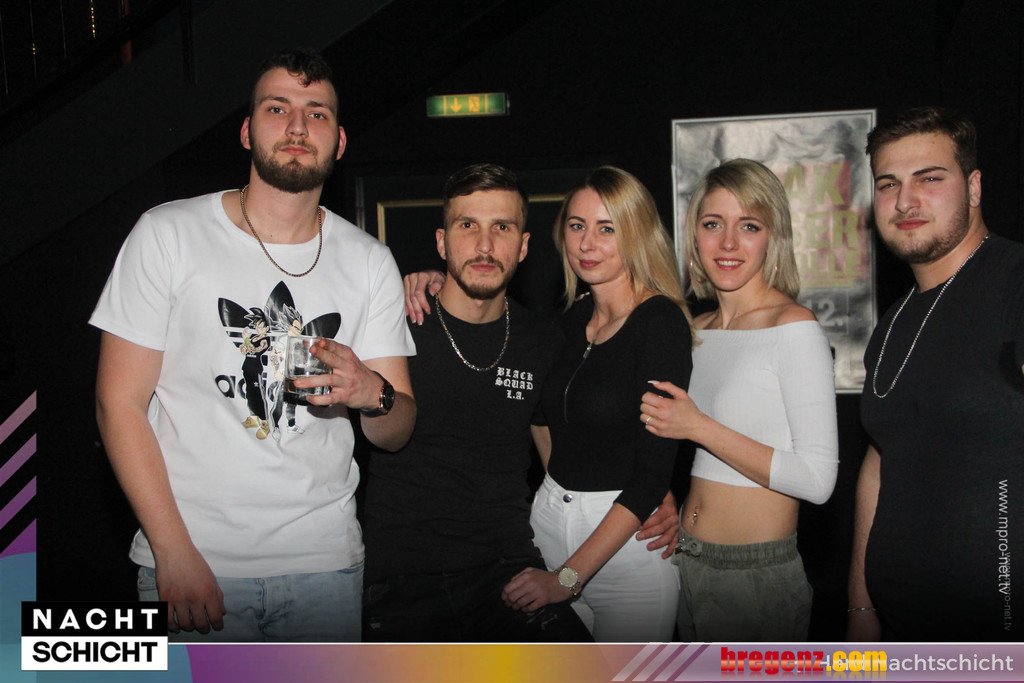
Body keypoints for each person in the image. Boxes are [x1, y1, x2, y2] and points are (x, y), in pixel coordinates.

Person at [90, 47, 416, 642]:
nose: (297, 126)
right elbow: (118, 404)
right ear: (246, 131)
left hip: (325, 565)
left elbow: (395, 432)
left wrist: (374, 393)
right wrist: (172, 551)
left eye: (317, 113)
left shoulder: (370, 261)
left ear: (339, 141)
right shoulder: (168, 234)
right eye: (277, 108)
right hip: (192, 562)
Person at [368, 163, 679, 642]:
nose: (484, 245)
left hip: (507, 570)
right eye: (467, 225)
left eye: (502, 227)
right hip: (401, 578)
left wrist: (649, 490)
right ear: (442, 242)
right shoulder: (397, 322)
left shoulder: (545, 339)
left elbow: (582, 440)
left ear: (524, 246)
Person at [638, 158, 839, 641]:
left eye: (749, 226)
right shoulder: (695, 329)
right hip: (682, 558)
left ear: (773, 237)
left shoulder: (792, 326)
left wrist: (699, 426)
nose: (728, 243)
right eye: (713, 224)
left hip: (753, 578)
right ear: (695, 236)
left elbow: (818, 481)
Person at [848, 106, 1024, 641]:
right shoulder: (893, 321)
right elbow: (880, 463)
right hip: (899, 630)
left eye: (929, 179)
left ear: (974, 187)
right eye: (888, 184)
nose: (905, 201)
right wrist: (860, 607)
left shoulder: (1014, 281)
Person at [501, 166, 692, 642]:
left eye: (607, 228)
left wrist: (566, 579)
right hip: (549, 526)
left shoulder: (660, 323)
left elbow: (652, 477)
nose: (587, 243)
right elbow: (541, 420)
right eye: (577, 225)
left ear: (636, 234)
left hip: (625, 546)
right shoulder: (569, 322)